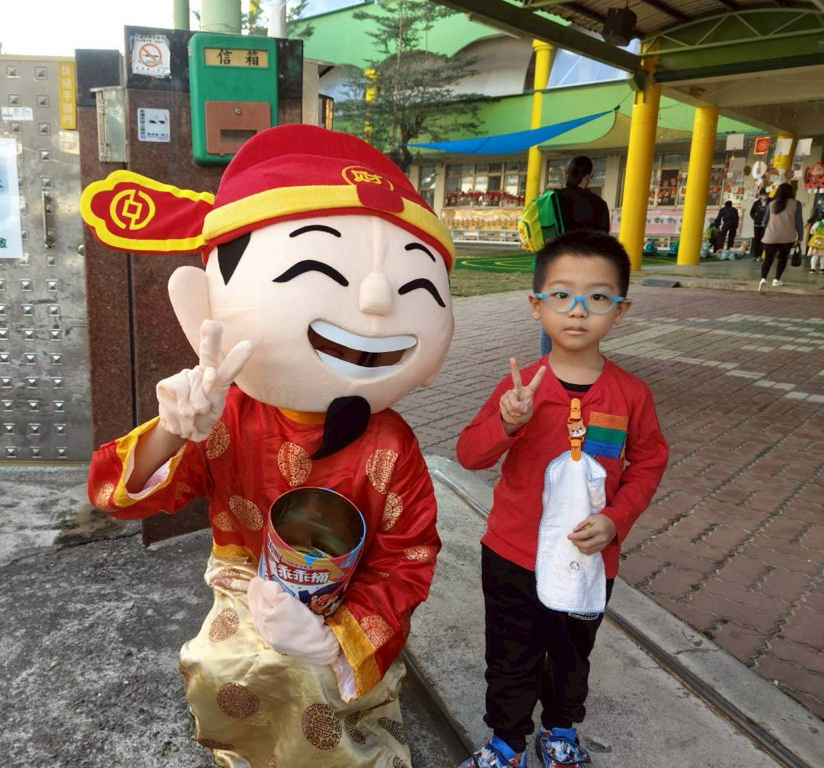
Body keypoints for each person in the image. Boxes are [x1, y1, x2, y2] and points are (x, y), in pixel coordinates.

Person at [81, 124, 455, 767]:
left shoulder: (392, 446)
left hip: (349, 596)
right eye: (315, 269)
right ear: (205, 306)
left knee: (317, 685)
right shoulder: (227, 415)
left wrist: (339, 640)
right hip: (245, 576)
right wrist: (173, 428)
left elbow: (408, 556)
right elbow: (117, 495)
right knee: (223, 667)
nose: (375, 299)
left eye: (415, 287)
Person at [456, 230, 668, 768]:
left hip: (589, 561)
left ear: (620, 310)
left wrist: (616, 519)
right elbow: (470, 454)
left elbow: (648, 462)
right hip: (511, 554)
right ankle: (506, 743)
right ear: (537, 306)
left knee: (572, 653)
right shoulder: (520, 389)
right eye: (561, 295)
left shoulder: (632, 395)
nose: (578, 310)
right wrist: (507, 422)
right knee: (510, 653)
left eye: (597, 297)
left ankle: (561, 730)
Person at [539, 156, 610, 356]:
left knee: (553, 318)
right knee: (585, 317)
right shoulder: (599, 204)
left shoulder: (553, 198)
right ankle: (579, 362)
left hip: (558, 269)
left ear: (565, 174)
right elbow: (604, 242)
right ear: (589, 176)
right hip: (589, 272)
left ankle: (548, 363)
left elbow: (543, 234)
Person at [758, 182, 804, 292]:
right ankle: (776, 280)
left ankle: (763, 279)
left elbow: (764, 222)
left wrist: (768, 231)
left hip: (771, 236)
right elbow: (799, 222)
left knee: (768, 259)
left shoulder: (771, 204)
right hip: (787, 237)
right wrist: (800, 236)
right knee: (783, 258)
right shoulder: (796, 203)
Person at [750, 189, 770, 261]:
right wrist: (756, 218)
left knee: (765, 239)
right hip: (757, 224)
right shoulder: (756, 203)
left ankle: (762, 255)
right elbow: (751, 212)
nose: (765, 196)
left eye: (766, 194)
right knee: (757, 239)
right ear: (760, 195)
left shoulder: (771, 202)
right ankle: (756, 255)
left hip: (767, 224)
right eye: (763, 194)